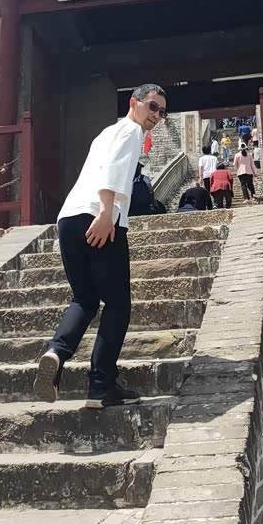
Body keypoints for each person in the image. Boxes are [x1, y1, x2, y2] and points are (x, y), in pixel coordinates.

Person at [33, 83, 167, 409]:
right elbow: (114, 171)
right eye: (152, 106)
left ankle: (56, 352)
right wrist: (107, 213)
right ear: (134, 103)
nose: (156, 115)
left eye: (162, 112)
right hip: (98, 216)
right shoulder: (131, 131)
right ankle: (101, 386)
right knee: (118, 305)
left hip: (68, 219)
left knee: (85, 299)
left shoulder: (105, 133)